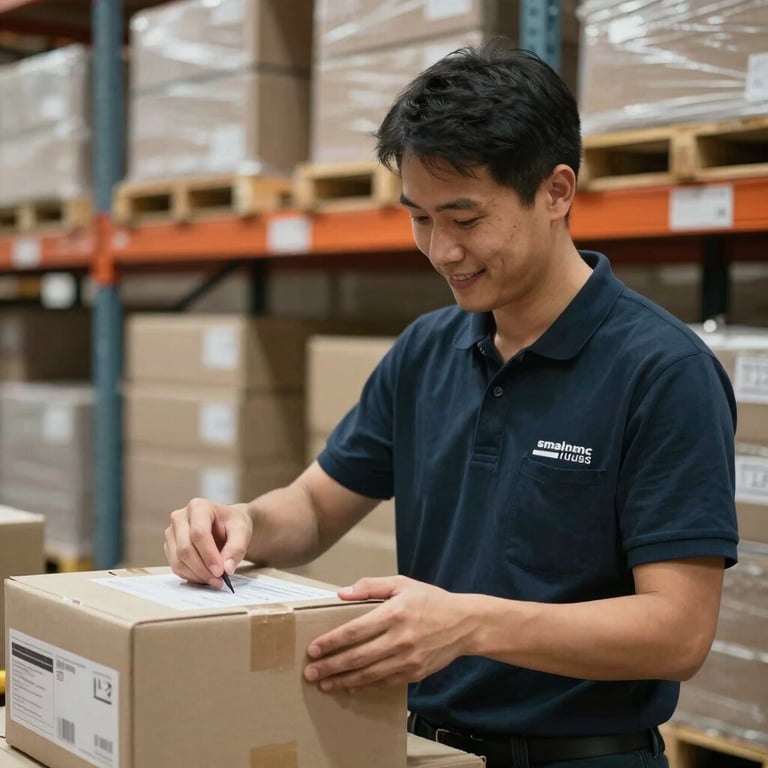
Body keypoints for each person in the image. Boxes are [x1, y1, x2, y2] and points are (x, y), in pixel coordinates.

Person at [165, 43, 738, 768]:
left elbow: (677, 632)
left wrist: (467, 625)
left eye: (465, 220)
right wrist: (242, 522)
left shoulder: (662, 373)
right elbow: (312, 508)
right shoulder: (426, 351)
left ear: (557, 192)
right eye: (420, 218)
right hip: (420, 748)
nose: (441, 251)